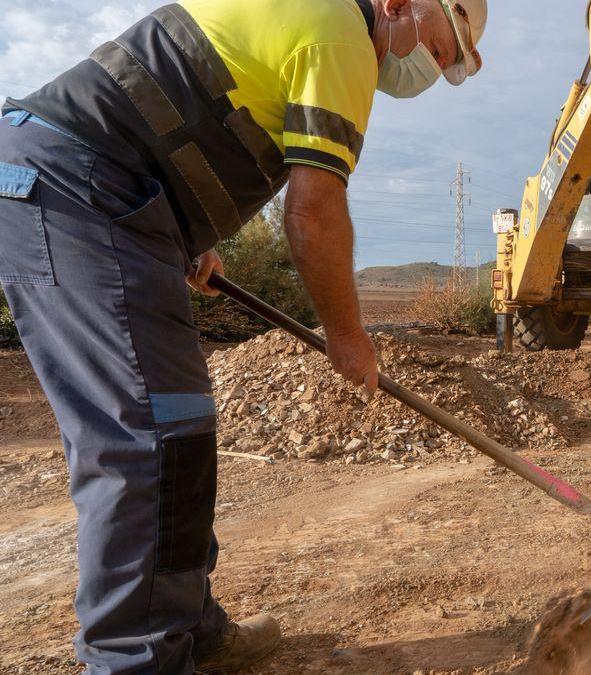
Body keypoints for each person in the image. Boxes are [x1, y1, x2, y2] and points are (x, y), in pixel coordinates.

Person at [0, 0, 486, 672]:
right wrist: (346, 334)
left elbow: (182, 96)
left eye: (445, 64)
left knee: (182, 425)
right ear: (401, 4)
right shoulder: (343, 36)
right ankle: (134, 659)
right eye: (436, 48)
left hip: (105, 191)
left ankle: (190, 631)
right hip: (77, 189)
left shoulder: (309, 14)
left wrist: (180, 229)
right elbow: (313, 213)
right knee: (146, 439)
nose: (429, 69)